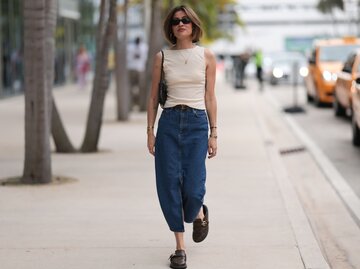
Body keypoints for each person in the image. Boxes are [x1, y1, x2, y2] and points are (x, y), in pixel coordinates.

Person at [147, 5, 217, 269]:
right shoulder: (162, 57)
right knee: (169, 185)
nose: (181, 24)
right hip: (169, 123)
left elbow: (210, 96)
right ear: (171, 28)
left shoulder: (206, 56)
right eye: (176, 21)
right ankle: (179, 248)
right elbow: (153, 97)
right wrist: (150, 131)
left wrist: (214, 133)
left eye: (185, 20)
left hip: (197, 124)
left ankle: (198, 211)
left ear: (193, 24)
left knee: (193, 187)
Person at [127, 36, 148, 107]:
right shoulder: (144, 47)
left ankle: (135, 104)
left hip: (134, 68)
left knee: (135, 87)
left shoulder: (130, 47)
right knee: (138, 87)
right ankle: (135, 104)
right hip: (139, 69)